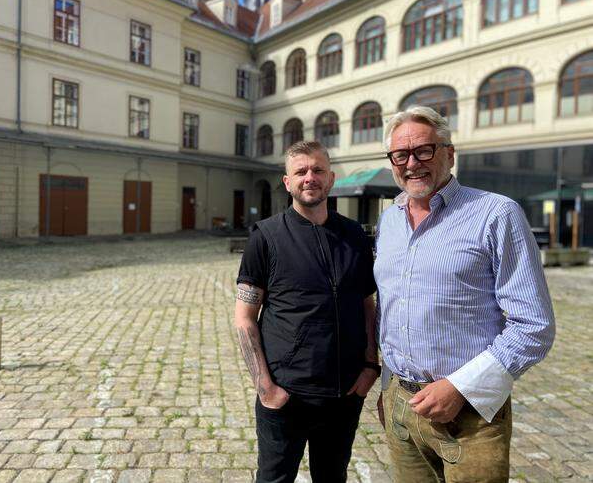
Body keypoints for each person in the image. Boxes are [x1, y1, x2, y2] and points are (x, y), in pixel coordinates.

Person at [374, 106, 556, 482]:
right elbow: (390, 310)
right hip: (401, 405)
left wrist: (460, 387)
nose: (412, 163)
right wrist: (388, 388)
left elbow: (534, 326)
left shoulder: (495, 214)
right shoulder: (389, 219)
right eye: (400, 155)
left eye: (424, 150)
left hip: (470, 415)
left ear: (449, 153)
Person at [235, 140, 379, 483]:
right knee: (274, 479)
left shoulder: (355, 235)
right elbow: (244, 317)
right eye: (300, 171)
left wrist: (370, 365)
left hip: (344, 393)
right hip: (287, 395)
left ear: (330, 179)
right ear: (288, 182)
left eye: (317, 170)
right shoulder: (265, 237)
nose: (309, 177)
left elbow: (366, 302)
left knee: (332, 477)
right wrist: (266, 387)